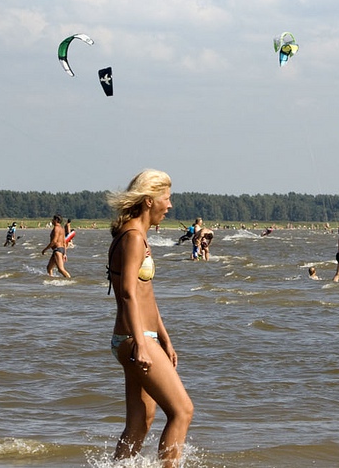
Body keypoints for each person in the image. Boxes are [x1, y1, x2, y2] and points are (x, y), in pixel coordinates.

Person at [105, 169, 193, 468]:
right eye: (166, 199)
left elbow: (147, 294)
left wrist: (164, 338)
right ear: (148, 201)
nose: (169, 206)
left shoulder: (137, 236)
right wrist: (142, 344)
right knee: (182, 411)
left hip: (140, 337)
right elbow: (128, 293)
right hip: (135, 338)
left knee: (140, 422)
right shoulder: (132, 237)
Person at [41, 214, 72, 278]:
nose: (52, 221)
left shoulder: (56, 228)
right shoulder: (62, 229)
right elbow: (64, 242)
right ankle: (51, 280)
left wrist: (45, 249)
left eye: (53, 219)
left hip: (57, 250)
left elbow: (54, 241)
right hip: (61, 249)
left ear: (57, 220)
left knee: (61, 269)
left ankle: (70, 280)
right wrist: (65, 253)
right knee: (49, 267)